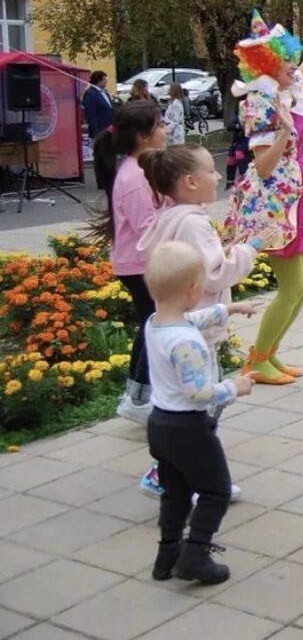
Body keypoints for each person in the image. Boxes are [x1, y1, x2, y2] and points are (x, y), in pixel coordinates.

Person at [135, 145, 258, 502]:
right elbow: (213, 275)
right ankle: (185, 476)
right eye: (211, 171)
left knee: (186, 406)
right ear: (190, 181)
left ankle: (173, 473)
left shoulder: (173, 215)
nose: (219, 176)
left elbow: (199, 263)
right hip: (197, 332)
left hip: (176, 322)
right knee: (202, 407)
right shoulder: (193, 220)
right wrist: (248, 251)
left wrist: (224, 249)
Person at [224, 0, 303, 383]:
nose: (294, 65)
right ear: (266, 66)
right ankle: (256, 360)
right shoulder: (260, 101)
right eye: (285, 60)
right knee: (290, 288)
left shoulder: (292, 89)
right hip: (274, 200)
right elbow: (264, 167)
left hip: (297, 190)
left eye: (291, 59)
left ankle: (270, 354)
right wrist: (286, 134)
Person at [142, 241, 256, 585]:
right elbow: (199, 393)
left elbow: (191, 318)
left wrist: (230, 309)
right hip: (188, 428)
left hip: (160, 424)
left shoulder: (156, 323)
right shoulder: (186, 342)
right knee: (216, 491)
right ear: (194, 290)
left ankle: (167, 555)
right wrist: (235, 388)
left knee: (175, 493)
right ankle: (195, 555)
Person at [89, 99, 168, 424]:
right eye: (160, 125)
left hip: (145, 262)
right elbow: (148, 230)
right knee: (156, 325)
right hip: (141, 265)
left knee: (154, 324)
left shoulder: (144, 167)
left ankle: (140, 394)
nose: (166, 129)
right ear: (142, 137)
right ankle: (138, 397)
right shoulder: (134, 178)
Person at [82, 70, 115, 139]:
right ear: (98, 81)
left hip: (110, 129)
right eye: (104, 79)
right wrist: (97, 133)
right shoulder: (90, 94)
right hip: (100, 131)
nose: (106, 81)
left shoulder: (105, 92)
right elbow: (91, 115)